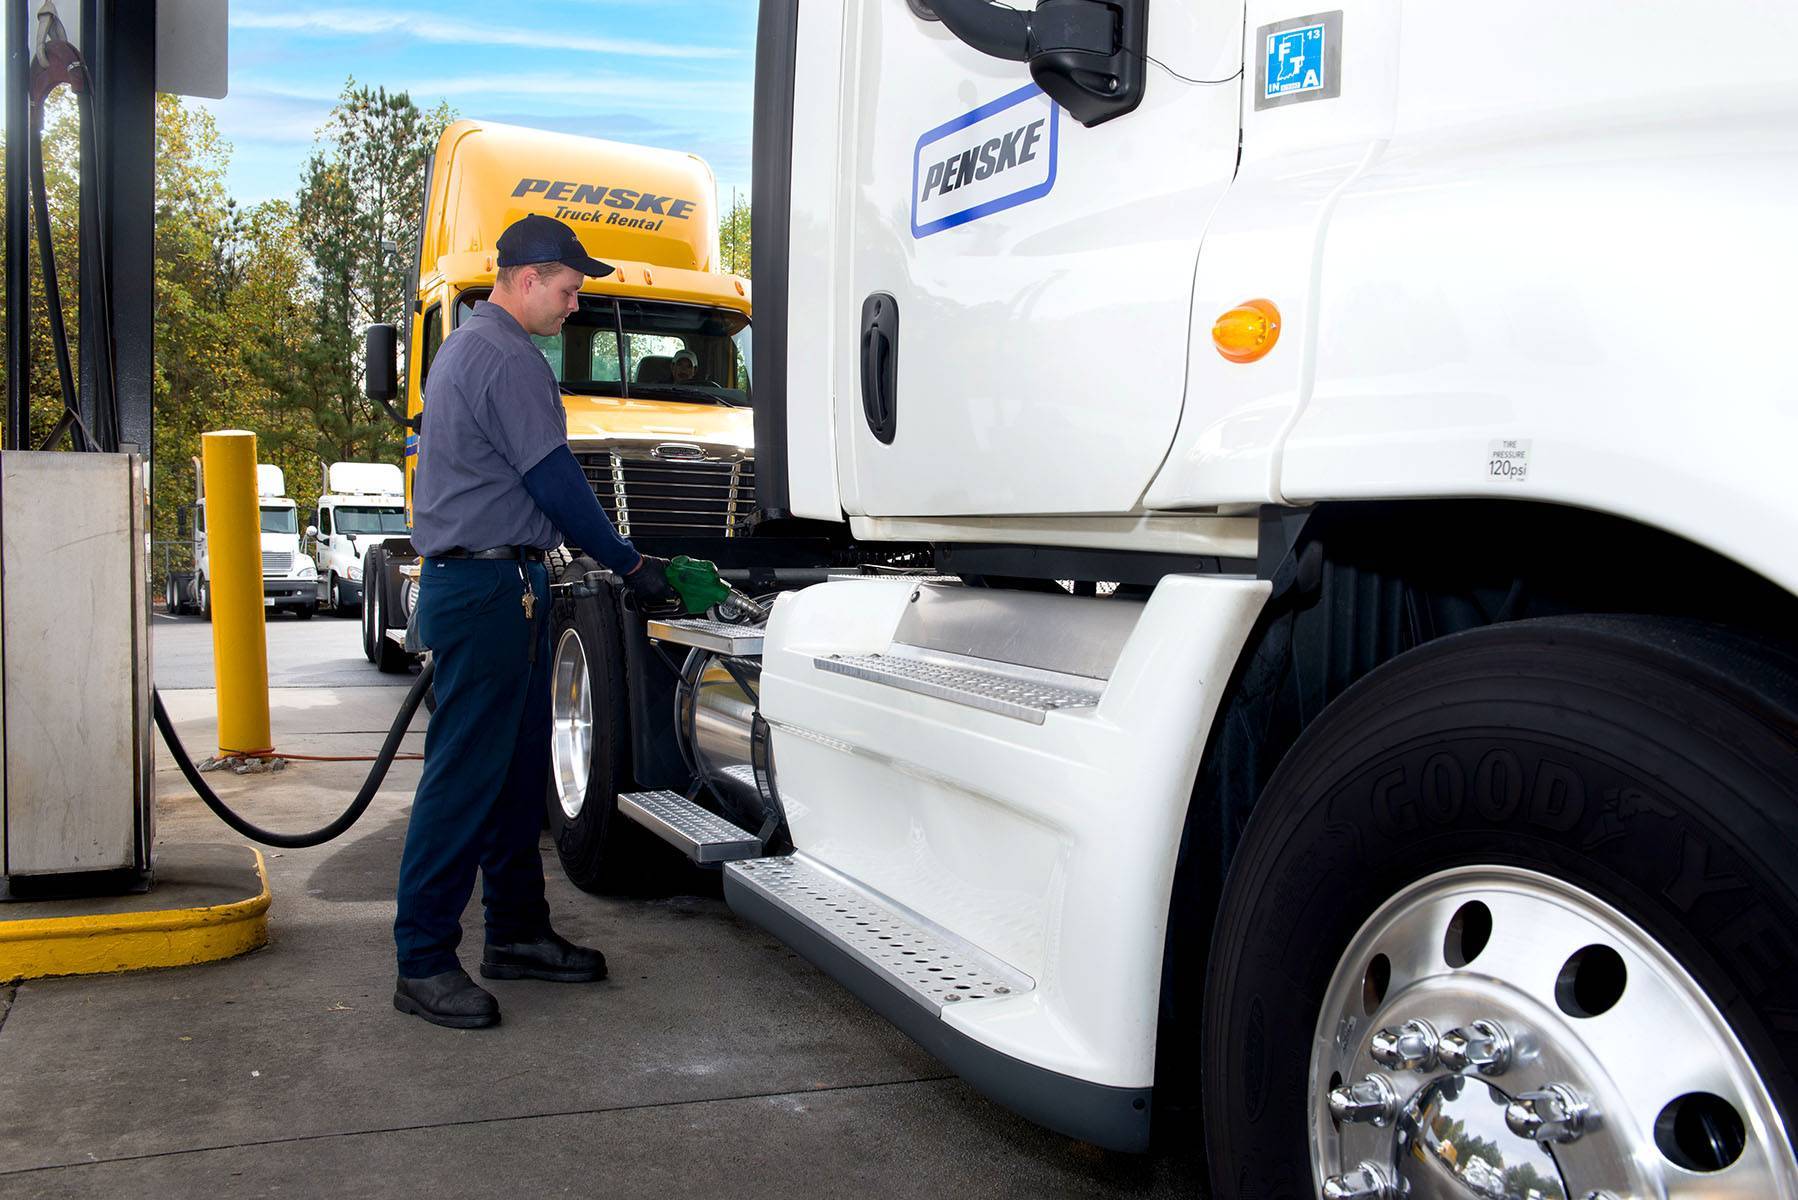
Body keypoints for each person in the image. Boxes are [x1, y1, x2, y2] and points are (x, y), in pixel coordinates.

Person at [392, 213, 678, 1029]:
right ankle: (422, 960)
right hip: (485, 593)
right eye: (568, 287)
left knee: (514, 781)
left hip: (496, 586)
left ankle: (514, 932)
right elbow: (555, 482)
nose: (573, 303)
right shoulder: (505, 357)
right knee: (462, 785)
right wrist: (629, 563)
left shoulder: (473, 349)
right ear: (526, 279)